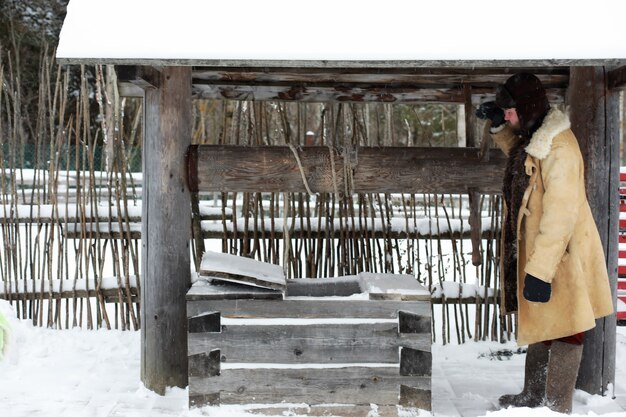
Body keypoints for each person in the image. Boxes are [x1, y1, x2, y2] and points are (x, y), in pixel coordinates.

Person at [475, 73, 614, 414]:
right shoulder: (537, 136)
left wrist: (540, 271)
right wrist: (499, 127)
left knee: (568, 328)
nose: (507, 115)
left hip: (564, 255)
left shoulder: (562, 148)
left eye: (510, 110)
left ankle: (555, 405)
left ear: (528, 108)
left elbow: (560, 217)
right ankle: (533, 397)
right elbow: (523, 159)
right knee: (542, 322)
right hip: (547, 253)